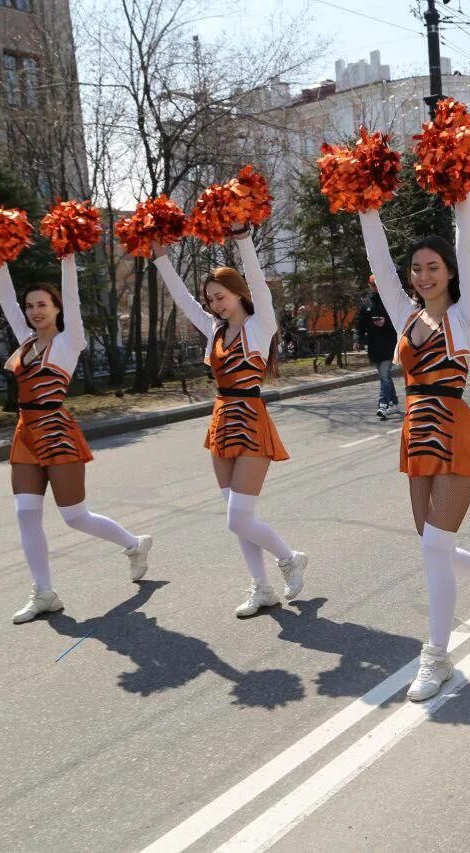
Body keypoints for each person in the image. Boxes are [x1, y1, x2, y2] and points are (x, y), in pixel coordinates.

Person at [359, 182, 470, 703]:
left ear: (449, 272)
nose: (424, 276)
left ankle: (437, 657)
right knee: (432, 545)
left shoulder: (469, 317)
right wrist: (366, 205)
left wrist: (465, 196)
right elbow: (375, 253)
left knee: (433, 547)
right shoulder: (406, 315)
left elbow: (468, 250)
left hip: (455, 430)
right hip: (415, 430)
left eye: (433, 268)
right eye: (416, 269)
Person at [154, 229, 308, 618]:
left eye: (220, 297)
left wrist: (243, 240)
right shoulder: (215, 331)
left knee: (237, 516)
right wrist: (160, 259)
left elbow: (260, 284)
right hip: (222, 420)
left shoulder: (259, 327)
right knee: (241, 519)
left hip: (251, 420)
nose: (214, 305)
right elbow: (184, 301)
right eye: (211, 300)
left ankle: (289, 558)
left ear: (238, 293)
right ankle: (261, 587)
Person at [0, 253, 152, 624]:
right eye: (30, 306)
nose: (34, 311)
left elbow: (74, 299)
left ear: (56, 308)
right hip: (25, 433)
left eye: (42, 305)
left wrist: (67, 259)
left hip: (57, 432)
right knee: (25, 514)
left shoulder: (69, 342)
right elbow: (6, 301)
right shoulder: (25, 341)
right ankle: (44, 592)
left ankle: (134, 544)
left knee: (74, 516)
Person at [357, 274, 399, 419]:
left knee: (384, 376)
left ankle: (383, 404)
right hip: (374, 347)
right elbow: (360, 326)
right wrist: (359, 339)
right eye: (373, 285)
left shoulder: (390, 302)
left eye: (378, 284)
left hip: (389, 345)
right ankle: (394, 402)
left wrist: (385, 323)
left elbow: (399, 324)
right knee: (385, 376)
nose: (376, 287)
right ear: (370, 286)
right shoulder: (366, 304)